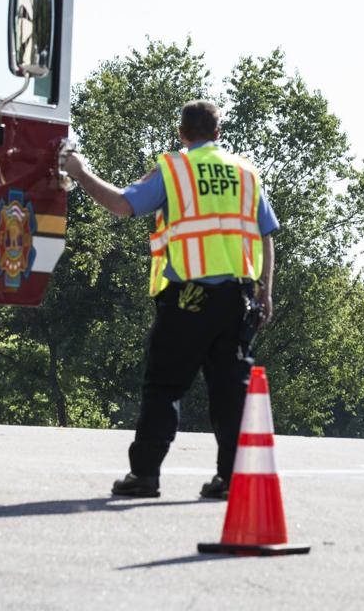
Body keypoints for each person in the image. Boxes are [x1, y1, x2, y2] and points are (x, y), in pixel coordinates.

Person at [60, 100, 278, 499]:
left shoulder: (174, 169)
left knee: (164, 386)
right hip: (238, 299)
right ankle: (231, 479)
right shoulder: (247, 174)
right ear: (218, 133)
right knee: (232, 391)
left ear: (182, 133)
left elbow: (122, 204)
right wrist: (265, 290)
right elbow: (266, 233)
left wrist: (79, 171)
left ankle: (145, 475)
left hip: (187, 299)